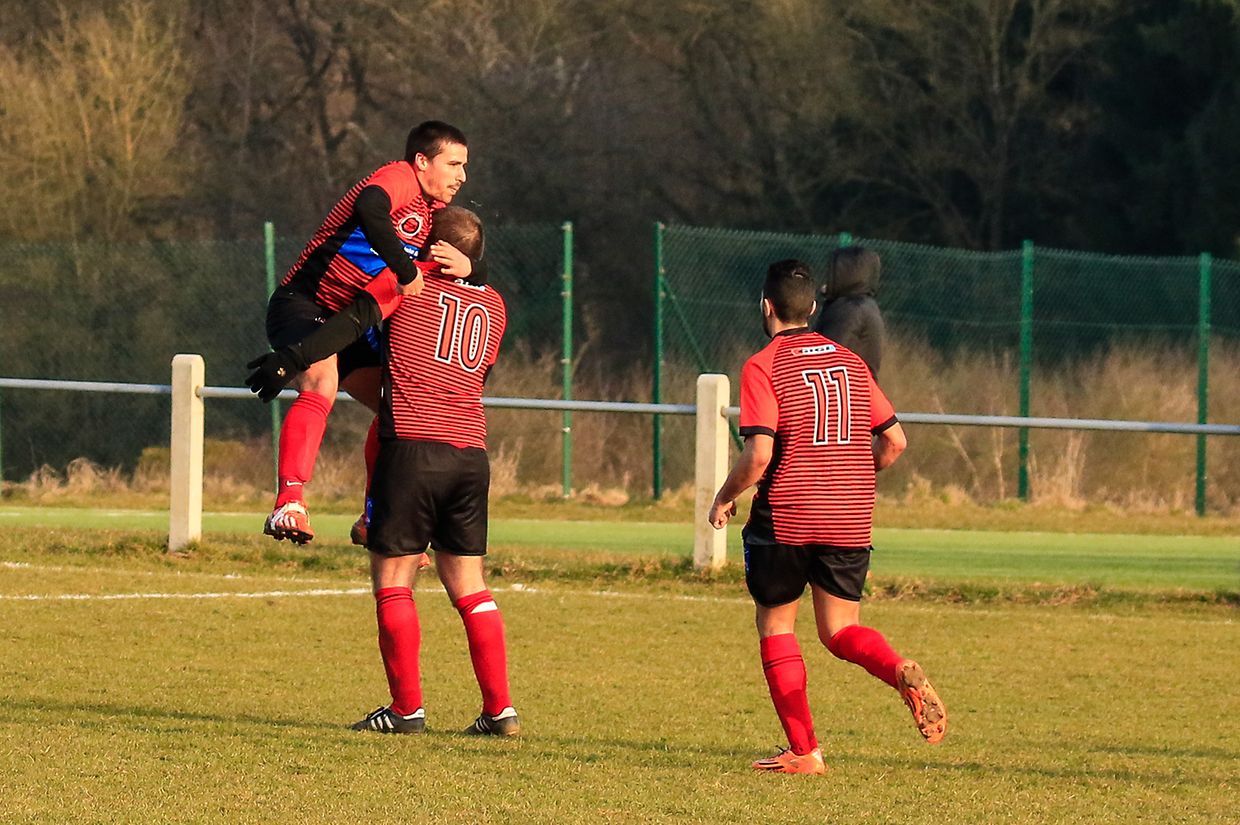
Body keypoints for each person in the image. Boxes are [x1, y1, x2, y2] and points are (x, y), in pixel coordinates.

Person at [249, 207, 518, 737]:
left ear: (429, 248)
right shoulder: (495, 303)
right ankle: (499, 710)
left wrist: (291, 357)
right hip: (470, 453)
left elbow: (348, 326)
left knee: (394, 581)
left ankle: (406, 710)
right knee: (470, 584)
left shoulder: (404, 286)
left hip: (412, 450)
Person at [708, 259, 945, 775]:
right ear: (814, 309)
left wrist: (723, 497)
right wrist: (853, 480)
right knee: (840, 631)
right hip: (850, 517)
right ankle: (895, 667)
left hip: (787, 518)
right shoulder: (852, 361)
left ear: (765, 306)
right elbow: (895, 440)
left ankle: (805, 750)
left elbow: (758, 456)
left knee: (776, 626)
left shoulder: (763, 365)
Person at [257, 120, 482, 546]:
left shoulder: (434, 220)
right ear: (421, 161)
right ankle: (289, 503)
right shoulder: (398, 177)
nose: (462, 176)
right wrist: (403, 265)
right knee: (321, 382)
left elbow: (372, 307)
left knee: (395, 410)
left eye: (464, 166)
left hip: (349, 321)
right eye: (454, 164)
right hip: (305, 304)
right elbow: (370, 208)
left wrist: (474, 267)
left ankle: (374, 518)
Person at [811, 245, 885, 376]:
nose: (828, 278)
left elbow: (827, 355)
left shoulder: (849, 309)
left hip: (844, 390)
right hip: (858, 388)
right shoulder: (865, 305)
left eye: (834, 272)